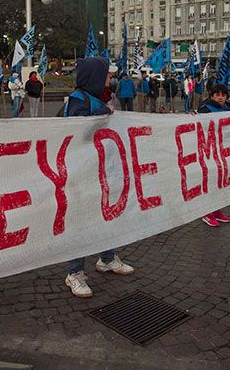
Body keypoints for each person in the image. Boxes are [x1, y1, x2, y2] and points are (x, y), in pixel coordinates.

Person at [63, 57, 134, 297]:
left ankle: (107, 258)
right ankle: (74, 273)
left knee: (105, 215)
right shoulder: (77, 101)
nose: (109, 79)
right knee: (80, 222)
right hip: (80, 173)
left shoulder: (100, 98)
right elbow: (77, 127)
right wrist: (105, 112)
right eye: (106, 75)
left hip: (100, 168)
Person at [197, 84, 230, 227]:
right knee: (210, 181)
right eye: (217, 95)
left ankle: (217, 210)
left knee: (220, 181)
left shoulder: (227, 108)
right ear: (212, 96)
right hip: (208, 150)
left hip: (222, 149)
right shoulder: (205, 108)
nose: (220, 97)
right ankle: (207, 212)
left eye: (223, 95)